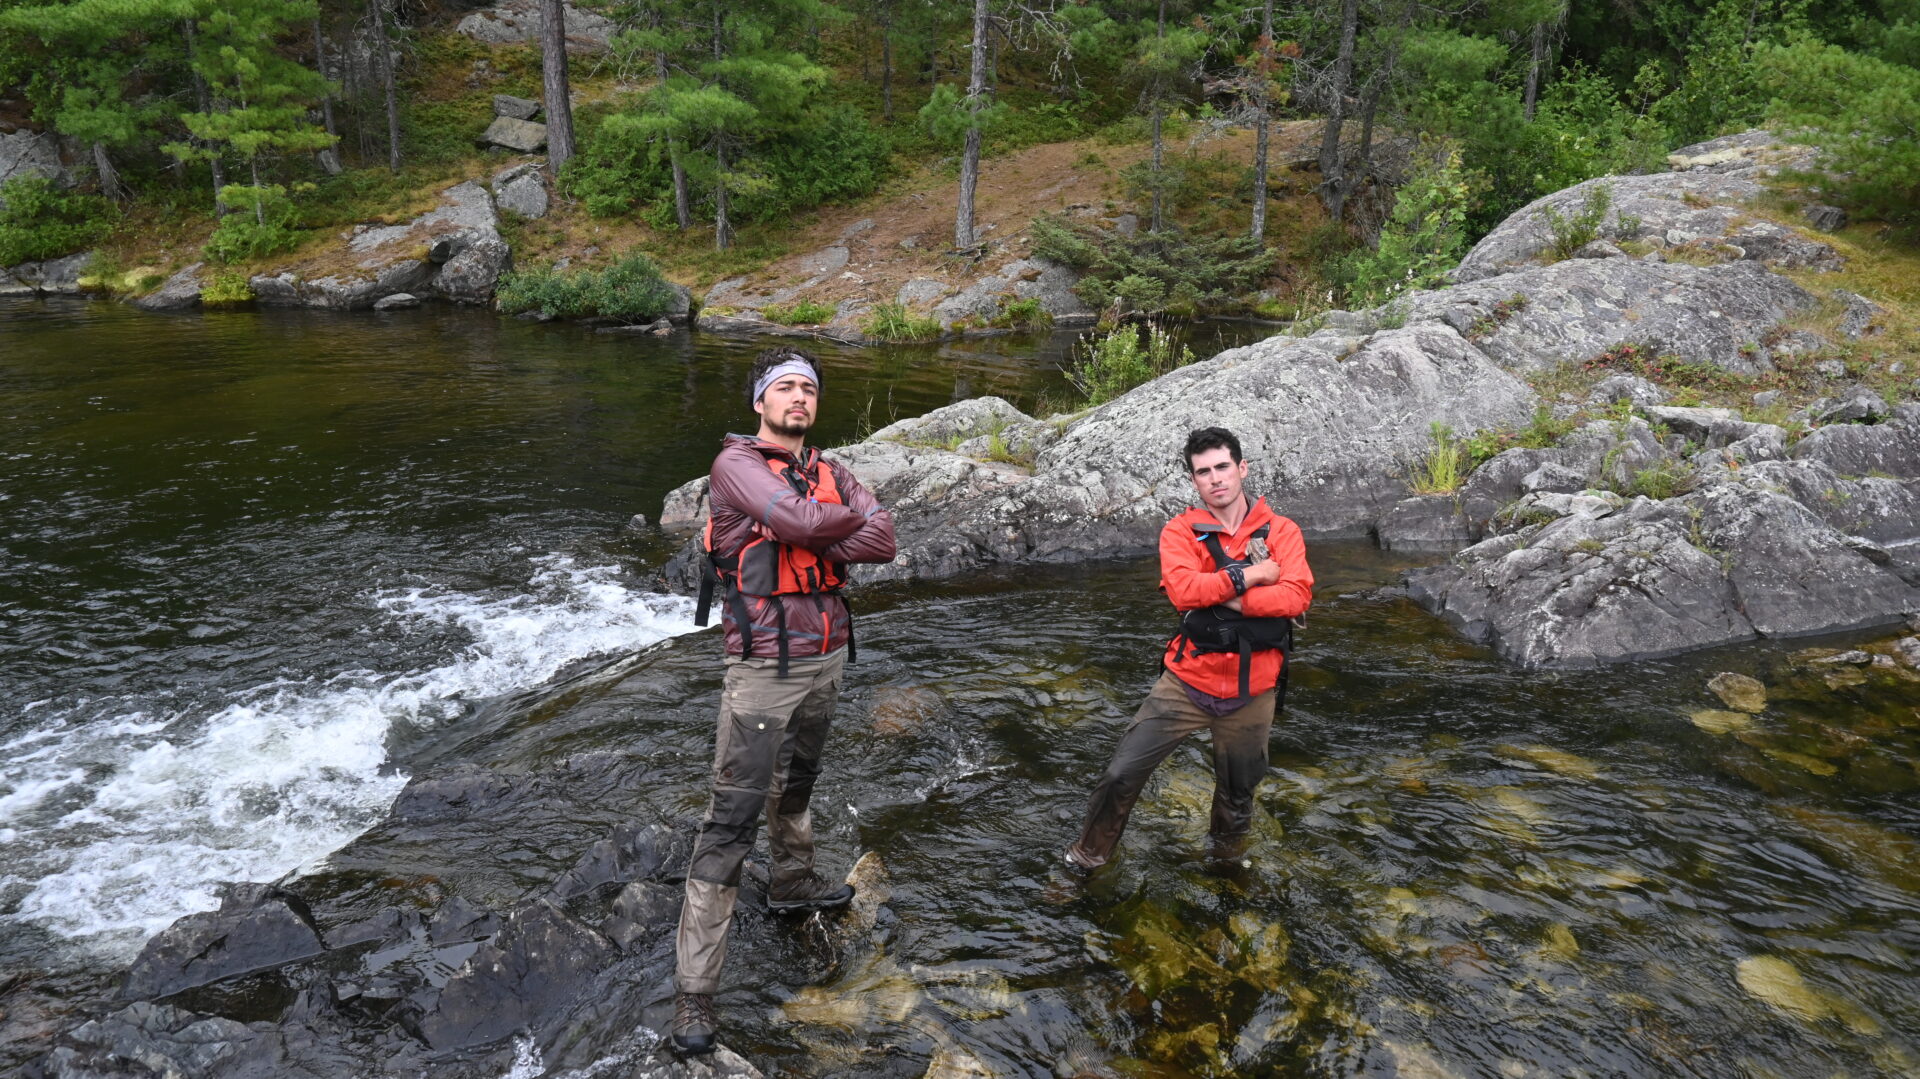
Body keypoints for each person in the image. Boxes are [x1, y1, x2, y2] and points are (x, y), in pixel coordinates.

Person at [672, 346, 896, 1055]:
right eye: (785, 388)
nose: (799, 397)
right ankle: (695, 994)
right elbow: (802, 527)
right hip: (764, 662)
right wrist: (822, 519)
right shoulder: (734, 466)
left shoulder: (827, 468)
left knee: (798, 781)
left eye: (809, 388)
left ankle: (794, 882)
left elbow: (883, 539)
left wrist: (812, 514)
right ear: (760, 402)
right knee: (731, 818)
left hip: (827, 652)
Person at [1065, 426, 1313, 871]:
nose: (1215, 478)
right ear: (1195, 481)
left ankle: (1223, 866)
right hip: (1186, 682)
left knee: (1238, 794)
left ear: (1242, 469)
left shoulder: (1283, 532)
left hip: (1254, 689)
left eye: (1222, 467)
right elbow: (1183, 592)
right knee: (1120, 775)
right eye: (1204, 472)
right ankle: (1086, 861)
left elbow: (1295, 598)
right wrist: (1252, 577)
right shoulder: (1179, 532)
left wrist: (1222, 594)